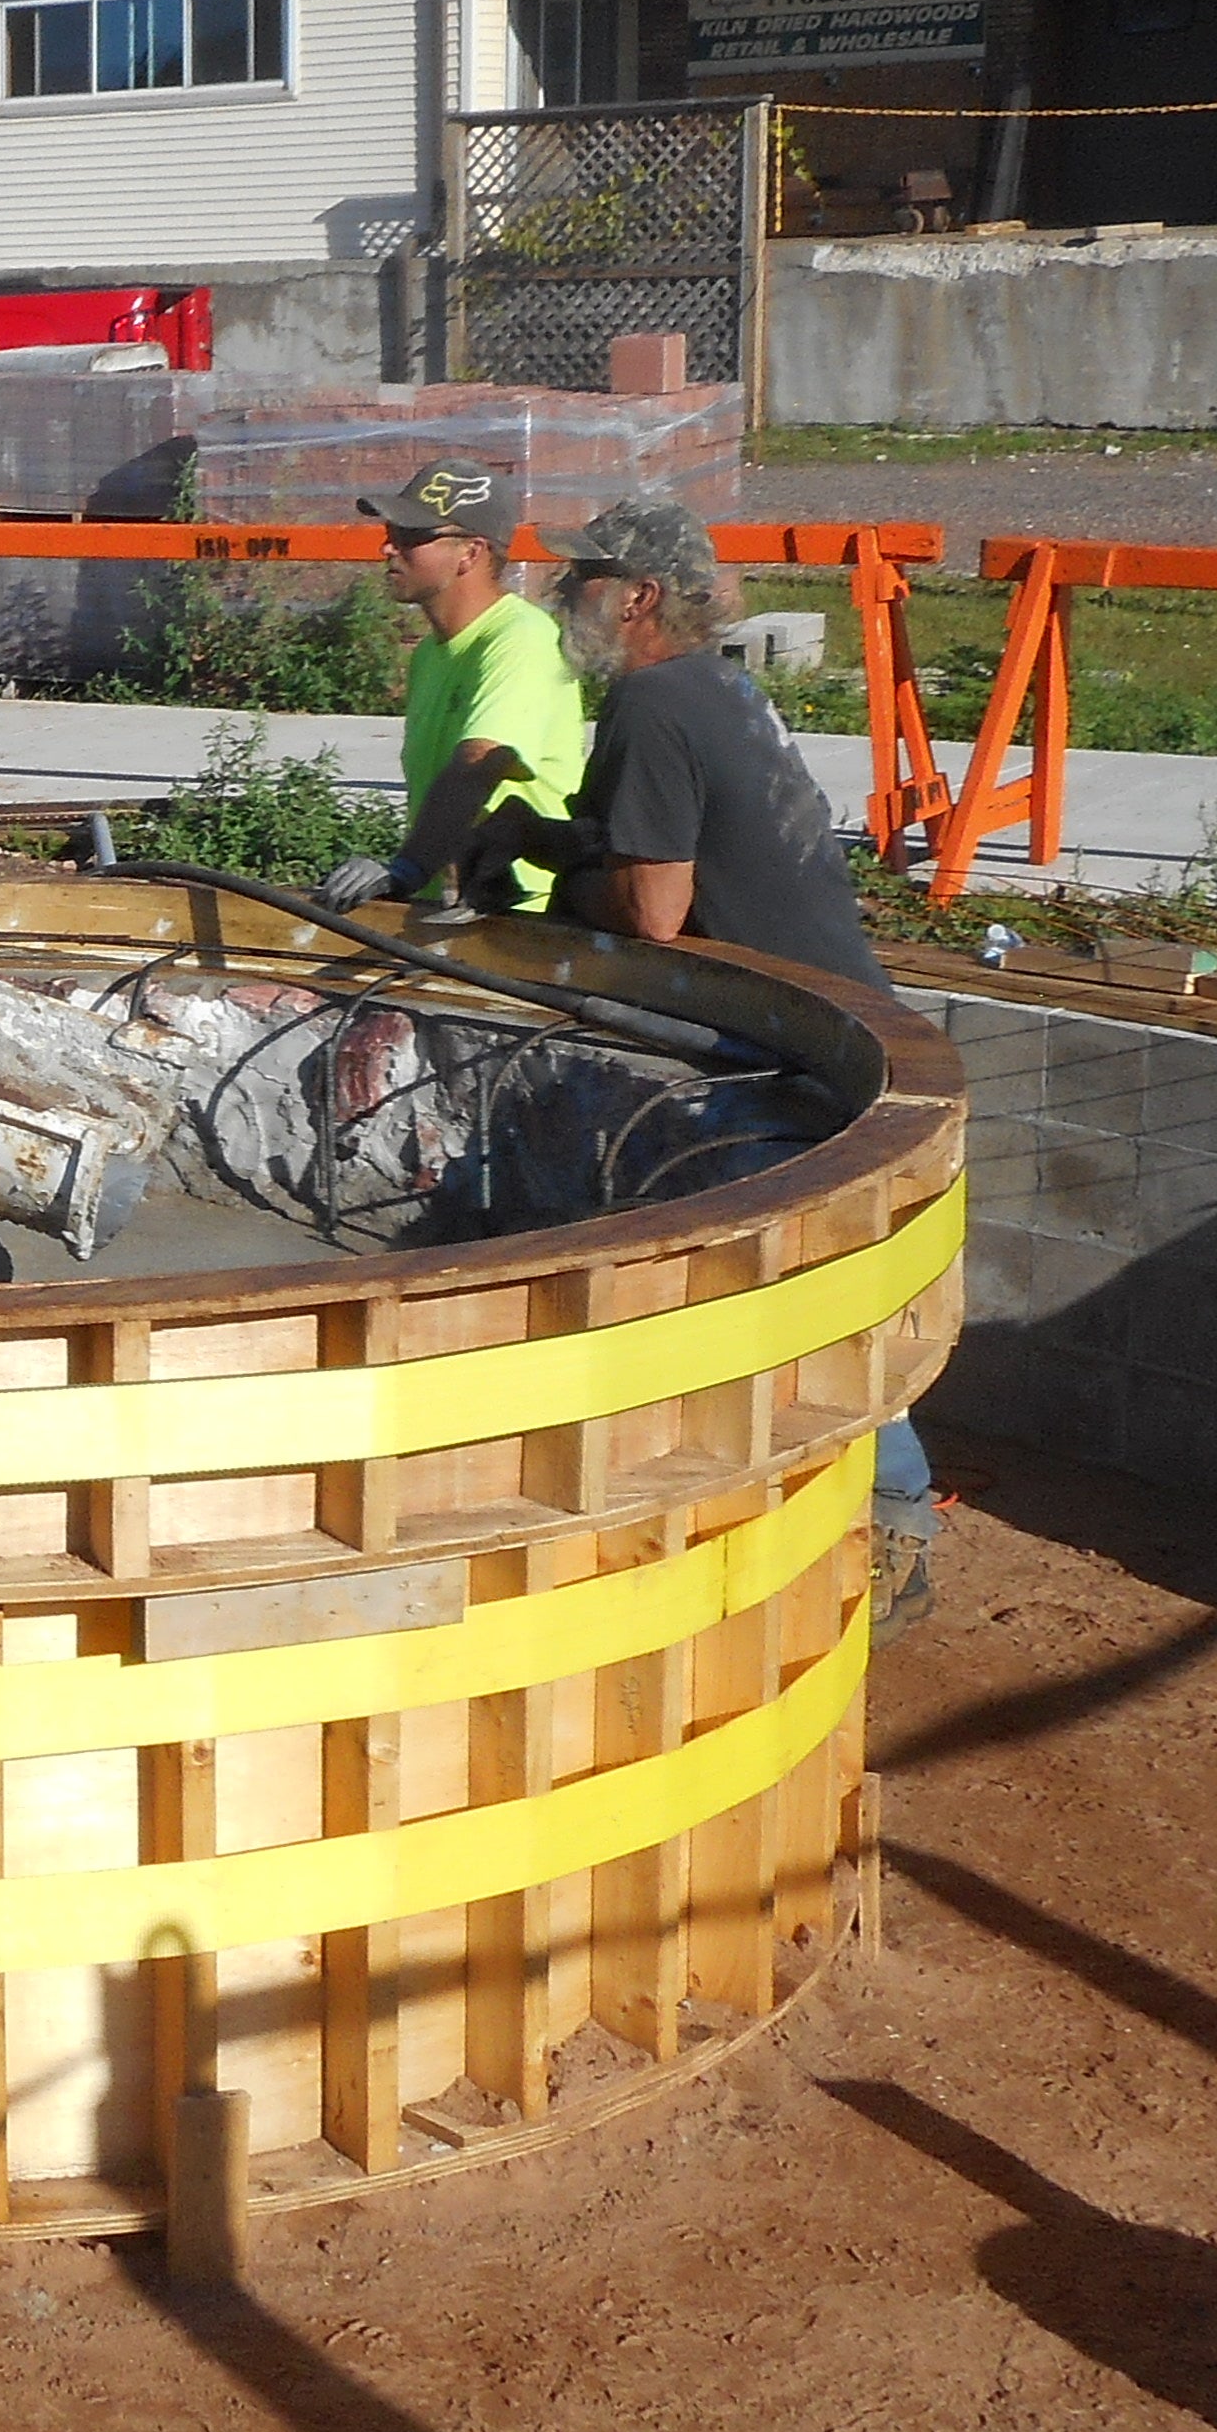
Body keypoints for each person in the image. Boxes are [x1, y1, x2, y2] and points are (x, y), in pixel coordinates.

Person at [420, 495, 943, 1620]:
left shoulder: (653, 701)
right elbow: (665, 852)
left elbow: (656, 912)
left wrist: (552, 886)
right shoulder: (713, 688)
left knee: (811, 1283)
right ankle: (865, 1512)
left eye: (584, 580)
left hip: (784, 1045)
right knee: (806, 1282)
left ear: (640, 596)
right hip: (830, 1020)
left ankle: (891, 1523)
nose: (563, 598)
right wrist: (544, 840)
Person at [317, 454, 586, 915]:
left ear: (471, 553)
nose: (388, 549)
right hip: (450, 905)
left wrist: (406, 869)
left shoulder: (520, 639)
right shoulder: (430, 654)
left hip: (523, 919)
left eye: (410, 538)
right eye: (389, 535)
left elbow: (480, 762)